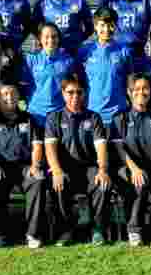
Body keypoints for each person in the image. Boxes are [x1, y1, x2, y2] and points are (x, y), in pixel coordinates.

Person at [109, 74, 151, 246]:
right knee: (140, 180)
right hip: (127, 167)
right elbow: (120, 151)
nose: (142, 92)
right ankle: (134, 230)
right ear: (129, 92)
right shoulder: (120, 119)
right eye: (137, 88)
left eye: (145, 88)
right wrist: (134, 169)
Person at [44, 77, 111, 246]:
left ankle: (97, 230)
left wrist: (102, 169)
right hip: (64, 168)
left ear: (85, 94)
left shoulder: (94, 117)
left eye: (79, 92)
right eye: (70, 92)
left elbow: (101, 147)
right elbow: (50, 149)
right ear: (63, 94)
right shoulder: (54, 118)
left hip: (89, 168)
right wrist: (56, 170)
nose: (75, 96)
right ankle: (65, 231)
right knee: (57, 182)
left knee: (102, 182)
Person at [0, 84, 47, 249]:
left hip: (24, 167)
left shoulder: (29, 119)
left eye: (13, 93)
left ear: (19, 97)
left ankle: (32, 234)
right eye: (5, 94)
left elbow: (37, 146)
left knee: (38, 179)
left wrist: (35, 165)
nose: (9, 97)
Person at [76, 7, 133, 126]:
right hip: (92, 113)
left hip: (118, 113)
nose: (106, 29)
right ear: (95, 26)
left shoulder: (124, 51)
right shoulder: (85, 50)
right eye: (102, 25)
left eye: (111, 25)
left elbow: (130, 81)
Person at [22, 23, 76, 128]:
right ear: (40, 39)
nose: (50, 40)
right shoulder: (31, 59)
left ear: (59, 38)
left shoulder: (68, 60)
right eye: (46, 37)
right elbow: (25, 84)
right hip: (35, 113)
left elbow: (71, 86)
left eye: (54, 36)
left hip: (59, 113)